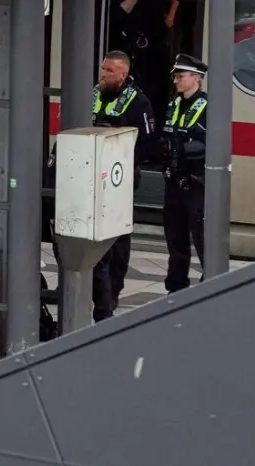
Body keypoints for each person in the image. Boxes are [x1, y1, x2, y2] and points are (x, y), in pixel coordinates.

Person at [89, 50, 155, 321]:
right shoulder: (92, 94)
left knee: (117, 239)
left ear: (123, 75)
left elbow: (148, 143)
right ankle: (93, 291)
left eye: (109, 71)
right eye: (103, 69)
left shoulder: (138, 102)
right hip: (88, 175)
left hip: (120, 179)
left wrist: (123, 165)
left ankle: (112, 293)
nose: (103, 75)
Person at [161, 53, 208, 294]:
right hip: (173, 181)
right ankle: (176, 285)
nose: (176, 81)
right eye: (175, 76)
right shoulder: (174, 105)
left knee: (201, 235)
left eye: (180, 76)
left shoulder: (209, 107)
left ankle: (210, 279)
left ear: (196, 78)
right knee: (175, 236)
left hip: (196, 183)